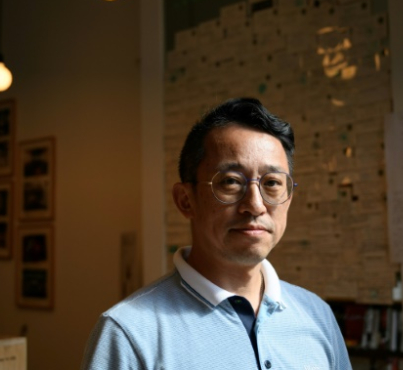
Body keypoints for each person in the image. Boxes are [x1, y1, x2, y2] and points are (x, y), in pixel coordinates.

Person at [81, 98, 352, 370]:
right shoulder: (128, 334)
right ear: (186, 200)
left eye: (272, 183)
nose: (255, 205)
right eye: (231, 182)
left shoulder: (318, 316)